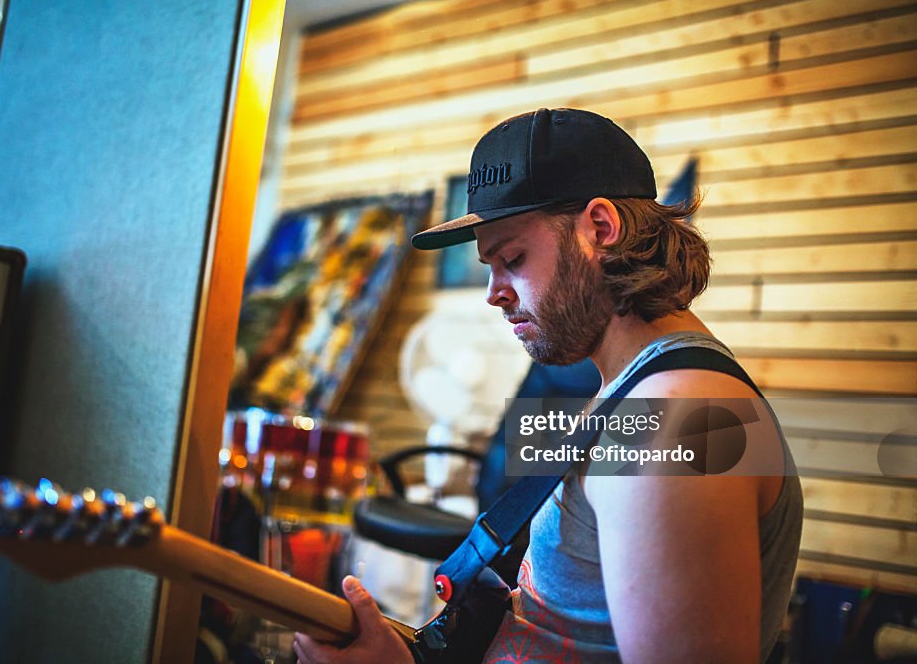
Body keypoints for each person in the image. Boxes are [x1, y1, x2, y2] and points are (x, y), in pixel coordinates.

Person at [293, 108, 803, 663]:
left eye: (512, 258)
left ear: (600, 230)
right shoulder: (633, 398)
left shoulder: (678, 419)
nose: (494, 293)